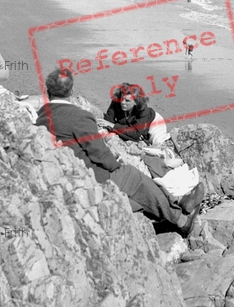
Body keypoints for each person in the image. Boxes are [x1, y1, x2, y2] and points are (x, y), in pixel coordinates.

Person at [36, 69, 202, 236]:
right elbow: (99, 153)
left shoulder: (40, 116)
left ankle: (174, 205)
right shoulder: (79, 117)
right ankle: (181, 220)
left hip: (64, 176)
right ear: (71, 91)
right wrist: (115, 164)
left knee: (136, 195)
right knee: (133, 176)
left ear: (47, 91)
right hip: (91, 177)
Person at [98, 83, 170, 146]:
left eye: (127, 101)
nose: (122, 102)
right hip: (133, 127)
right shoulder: (116, 102)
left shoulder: (143, 110)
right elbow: (108, 120)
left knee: (158, 142)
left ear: (136, 102)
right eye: (122, 98)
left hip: (153, 122)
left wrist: (113, 126)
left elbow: (136, 133)